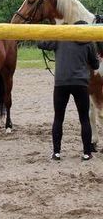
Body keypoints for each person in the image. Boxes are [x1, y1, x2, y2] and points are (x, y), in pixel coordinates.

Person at [37, 20, 99, 161]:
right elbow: (95, 65)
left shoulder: (61, 38)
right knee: (84, 119)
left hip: (61, 83)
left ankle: (56, 153)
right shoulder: (89, 42)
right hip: (81, 83)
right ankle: (87, 153)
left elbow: (41, 43)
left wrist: (43, 30)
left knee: (58, 118)